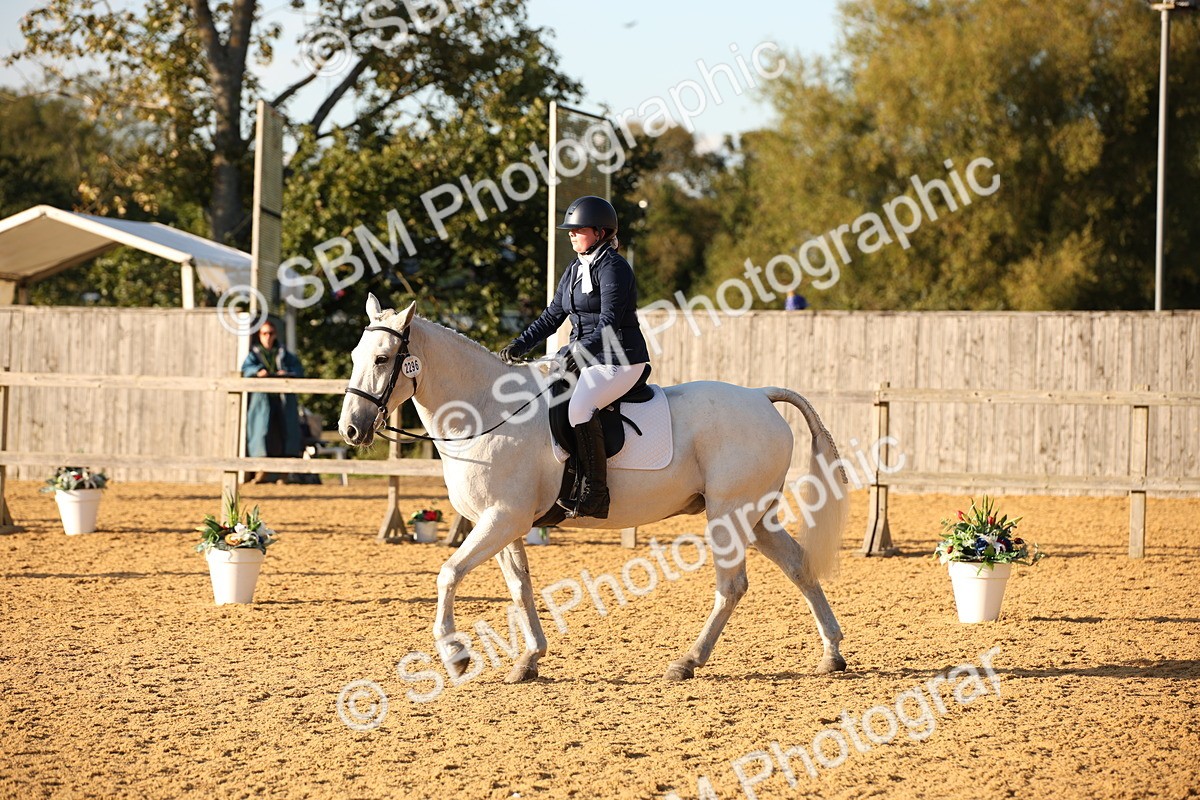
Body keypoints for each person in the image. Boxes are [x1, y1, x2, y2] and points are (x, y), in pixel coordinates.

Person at [499, 196, 651, 519]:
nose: (570, 234)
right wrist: (520, 345)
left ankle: (595, 492)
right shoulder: (574, 269)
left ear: (599, 232)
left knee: (580, 405)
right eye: (569, 229)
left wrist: (577, 355)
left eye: (577, 229)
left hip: (622, 360)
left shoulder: (615, 268)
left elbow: (609, 323)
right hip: (586, 357)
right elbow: (552, 315)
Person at [242, 319, 305, 484]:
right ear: (260, 335)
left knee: (287, 434)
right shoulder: (254, 354)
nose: (268, 337)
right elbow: (245, 369)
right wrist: (257, 371)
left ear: (275, 334)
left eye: (270, 333)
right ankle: (261, 470)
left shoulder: (284, 353)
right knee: (261, 434)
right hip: (262, 402)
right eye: (264, 333)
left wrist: (287, 373)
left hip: (284, 401)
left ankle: (284, 474)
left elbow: (298, 370)